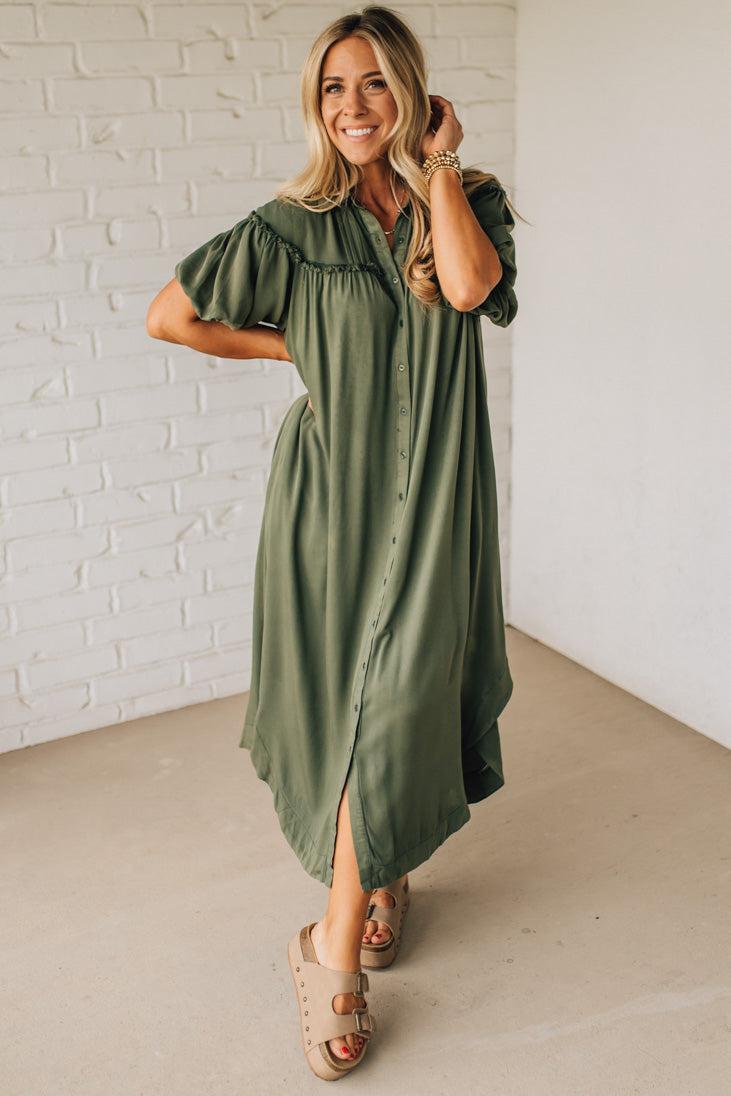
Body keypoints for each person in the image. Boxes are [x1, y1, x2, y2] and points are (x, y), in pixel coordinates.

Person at [146, 3, 518, 1081]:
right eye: (331, 88)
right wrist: (288, 349)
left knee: (404, 699)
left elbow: (469, 288)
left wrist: (438, 167)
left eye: (373, 82)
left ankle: (378, 871)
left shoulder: (467, 199)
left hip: (436, 494)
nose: (353, 106)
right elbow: (172, 315)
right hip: (332, 501)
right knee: (364, 709)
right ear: (315, 104)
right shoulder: (289, 226)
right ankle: (329, 946)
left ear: (411, 90)